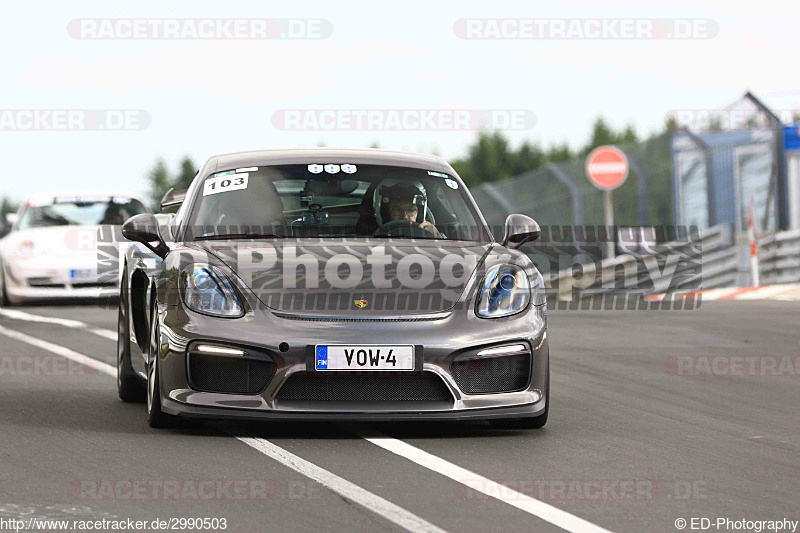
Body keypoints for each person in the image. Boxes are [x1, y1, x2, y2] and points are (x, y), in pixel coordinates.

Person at [376, 182, 443, 238]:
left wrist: (436, 236)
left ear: (419, 214)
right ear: (385, 213)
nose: (405, 217)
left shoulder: (428, 233)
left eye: (411, 210)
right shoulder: (369, 237)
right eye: (397, 210)